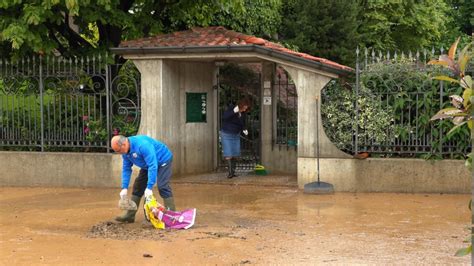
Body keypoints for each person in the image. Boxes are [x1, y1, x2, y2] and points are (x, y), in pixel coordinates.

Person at [111, 134, 176, 223]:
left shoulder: (142, 146)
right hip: (147, 164)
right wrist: (124, 187)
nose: (119, 153)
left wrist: (149, 187)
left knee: (162, 186)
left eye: (118, 150)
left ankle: (171, 215)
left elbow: (153, 166)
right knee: (138, 186)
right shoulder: (125, 152)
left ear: (124, 144)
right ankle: (130, 215)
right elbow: (126, 168)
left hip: (162, 160)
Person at [220, 98, 251, 178]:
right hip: (226, 133)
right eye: (244, 107)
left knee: (235, 153)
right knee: (228, 153)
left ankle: (233, 172)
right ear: (241, 105)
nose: (245, 109)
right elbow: (225, 117)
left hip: (236, 134)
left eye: (246, 108)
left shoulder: (243, 114)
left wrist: (244, 129)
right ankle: (230, 173)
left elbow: (242, 123)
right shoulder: (232, 108)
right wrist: (234, 111)